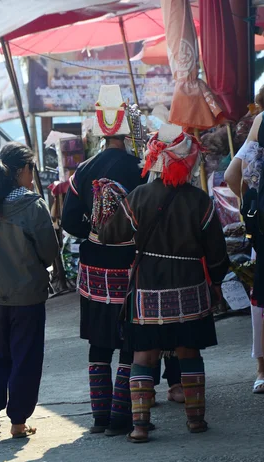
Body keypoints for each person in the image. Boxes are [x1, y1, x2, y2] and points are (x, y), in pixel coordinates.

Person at [62, 85, 182, 437]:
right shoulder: (141, 169)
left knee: (99, 343)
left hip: (95, 269)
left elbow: (70, 223)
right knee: (132, 341)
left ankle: (100, 419)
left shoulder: (83, 171)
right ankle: (122, 416)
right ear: (129, 129)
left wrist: (96, 230)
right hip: (132, 266)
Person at [101, 127, 230, 443]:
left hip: (148, 291)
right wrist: (216, 283)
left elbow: (108, 236)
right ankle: (196, 420)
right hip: (190, 289)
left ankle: (140, 427)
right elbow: (216, 253)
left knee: (144, 355)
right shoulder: (201, 201)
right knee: (189, 353)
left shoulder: (139, 197)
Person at [0, 142, 59, 437]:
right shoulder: (32, 205)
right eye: (32, 168)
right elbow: (49, 252)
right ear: (20, 171)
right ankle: (18, 422)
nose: (34, 175)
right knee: (25, 356)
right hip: (26, 293)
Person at [225, 88, 264, 393]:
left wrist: (248, 202)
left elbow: (231, 174)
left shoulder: (262, 120)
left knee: (261, 293)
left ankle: (262, 369)